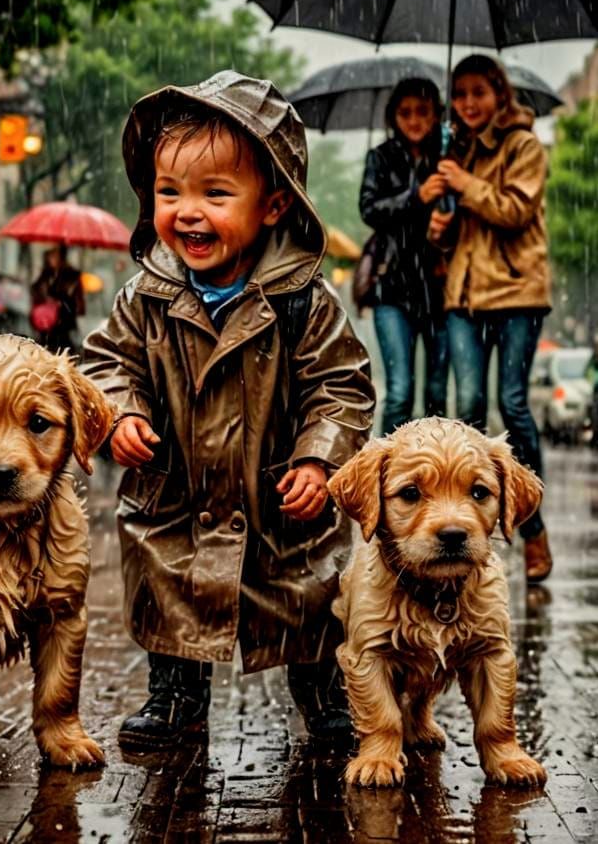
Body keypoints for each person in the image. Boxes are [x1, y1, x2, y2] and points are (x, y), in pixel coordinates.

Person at [83, 70, 375, 751]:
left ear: (272, 207)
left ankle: (325, 694)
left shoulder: (303, 301)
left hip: (275, 495)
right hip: (178, 491)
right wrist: (119, 413)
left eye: (216, 194)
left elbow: (341, 385)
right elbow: (106, 364)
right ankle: (176, 697)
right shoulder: (144, 297)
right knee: (171, 586)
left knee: (305, 597)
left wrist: (317, 457)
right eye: (169, 192)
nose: (188, 213)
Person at [428, 54, 553, 583]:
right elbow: (463, 232)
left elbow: (514, 211)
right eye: (459, 95)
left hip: (518, 293)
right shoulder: (454, 152)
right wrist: (440, 222)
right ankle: (469, 531)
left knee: (513, 403)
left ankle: (533, 528)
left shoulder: (525, 146)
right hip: (465, 297)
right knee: (470, 407)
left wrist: (466, 184)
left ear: (500, 95)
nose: (468, 104)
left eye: (478, 92)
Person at [359, 77, 450, 434]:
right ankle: (387, 478)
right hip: (392, 287)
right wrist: (416, 196)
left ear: (436, 115)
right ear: (394, 116)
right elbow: (370, 209)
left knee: (436, 394)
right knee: (399, 392)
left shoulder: (447, 159)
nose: (414, 120)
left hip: (441, 288)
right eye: (405, 112)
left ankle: (439, 472)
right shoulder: (380, 158)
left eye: (423, 112)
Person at [30, 245, 86, 352]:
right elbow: (35, 293)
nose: (52, 259)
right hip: (46, 323)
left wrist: (62, 303)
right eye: (50, 256)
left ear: (62, 257)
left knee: (63, 353)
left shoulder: (71, 277)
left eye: (55, 256)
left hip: (63, 325)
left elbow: (78, 306)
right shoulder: (45, 275)